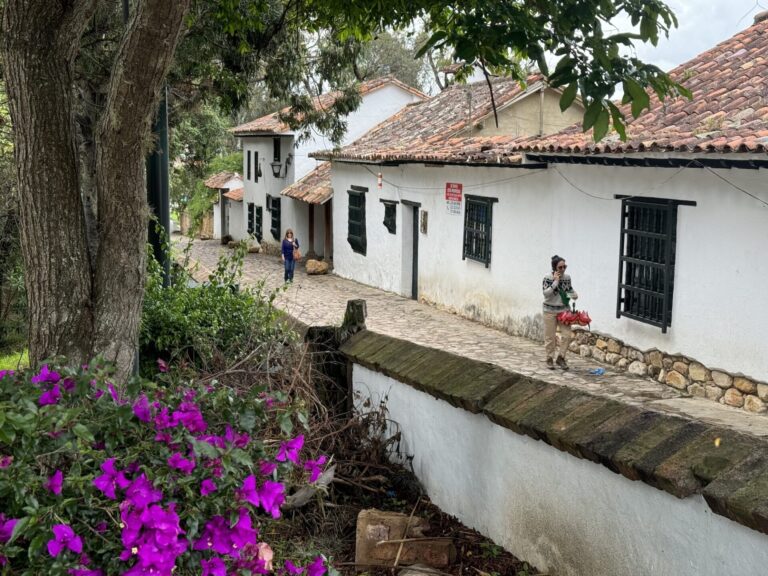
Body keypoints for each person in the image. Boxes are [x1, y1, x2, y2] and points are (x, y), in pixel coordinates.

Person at [542, 254, 578, 370]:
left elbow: (569, 290)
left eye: (564, 267)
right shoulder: (547, 278)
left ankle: (561, 358)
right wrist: (555, 282)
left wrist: (573, 295)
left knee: (567, 335)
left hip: (564, 311)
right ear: (555, 268)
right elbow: (546, 294)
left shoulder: (567, 278)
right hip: (549, 310)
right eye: (560, 267)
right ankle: (549, 359)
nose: (563, 269)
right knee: (550, 337)